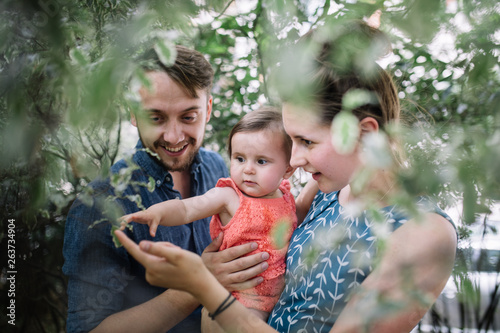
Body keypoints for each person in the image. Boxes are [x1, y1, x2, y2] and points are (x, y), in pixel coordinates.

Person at [114, 20, 458, 333]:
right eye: (292, 140)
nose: (294, 159)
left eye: (307, 141)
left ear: (364, 133)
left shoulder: (423, 234)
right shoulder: (328, 190)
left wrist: (204, 287)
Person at [63, 45, 270, 333]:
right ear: (133, 113)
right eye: (156, 118)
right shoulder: (99, 205)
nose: (174, 137)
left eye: (188, 117)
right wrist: (199, 285)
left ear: (208, 109)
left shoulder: (217, 168)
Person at [121, 107, 317, 331]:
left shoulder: (284, 195)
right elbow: (187, 209)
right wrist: (156, 213)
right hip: (234, 302)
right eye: (240, 158)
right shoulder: (229, 196)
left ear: (288, 169)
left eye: (261, 161)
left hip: (272, 301)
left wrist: (316, 181)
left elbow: (297, 213)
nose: (248, 170)